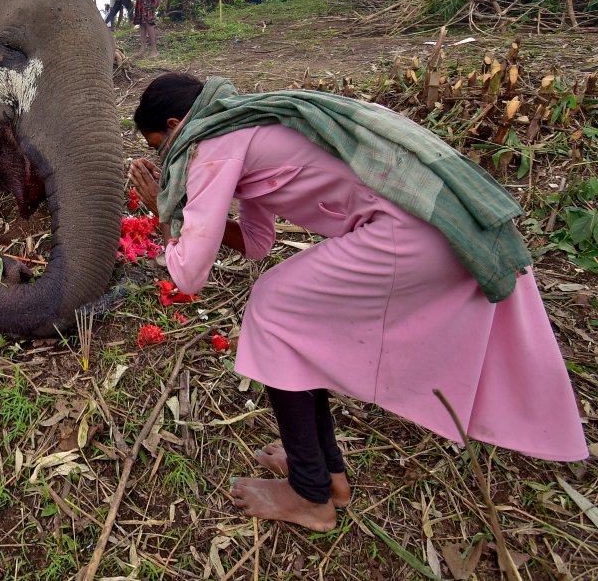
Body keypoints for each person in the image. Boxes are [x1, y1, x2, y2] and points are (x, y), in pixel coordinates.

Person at [128, 72, 587, 532]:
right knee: (287, 319)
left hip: (411, 231)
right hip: (421, 222)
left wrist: (162, 210)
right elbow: (256, 241)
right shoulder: (252, 122)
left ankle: (311, 497)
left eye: (158, 147)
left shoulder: (211, 144)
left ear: (176, 124)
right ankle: (326, 474)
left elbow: (188, 275)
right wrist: (188, 209)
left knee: (273, 307)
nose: (162, 160)